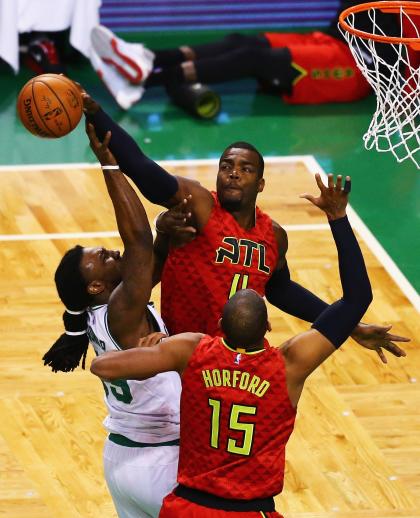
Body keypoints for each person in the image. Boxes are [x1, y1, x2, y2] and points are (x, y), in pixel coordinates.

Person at [90, 173, 374, 518]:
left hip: (186, 509)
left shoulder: (193, 352)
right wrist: (338, 217)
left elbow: (102, 367)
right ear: (268, 327)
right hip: (246, 513)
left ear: (219, 326)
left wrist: (162, 348)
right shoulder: (288, 366)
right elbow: (358, 297)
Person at [84, 94, 408, 363]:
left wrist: (351, 326)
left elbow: (281, 290)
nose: (233, 173)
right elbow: (143, 170)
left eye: (245, 168)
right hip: (179, 352)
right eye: (226, 166)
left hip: (236, 360)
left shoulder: (274, 235)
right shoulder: (199, 204)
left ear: (261, 183)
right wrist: (98, 114)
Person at [42, 123, 182, 518]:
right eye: (101, 257)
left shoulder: (107, 313)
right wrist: (110, 166)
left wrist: (164, 236)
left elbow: (146, 267)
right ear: (98, 286)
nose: (110, 250)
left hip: (122, 459)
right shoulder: (121, 312)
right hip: (160, 463)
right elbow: (137, 243)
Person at [87, 0, 402, 110]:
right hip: (337, 41)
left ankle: (147, 82)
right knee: (244, 42)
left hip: (361, 69)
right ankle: (147, 57)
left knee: (252, 59)